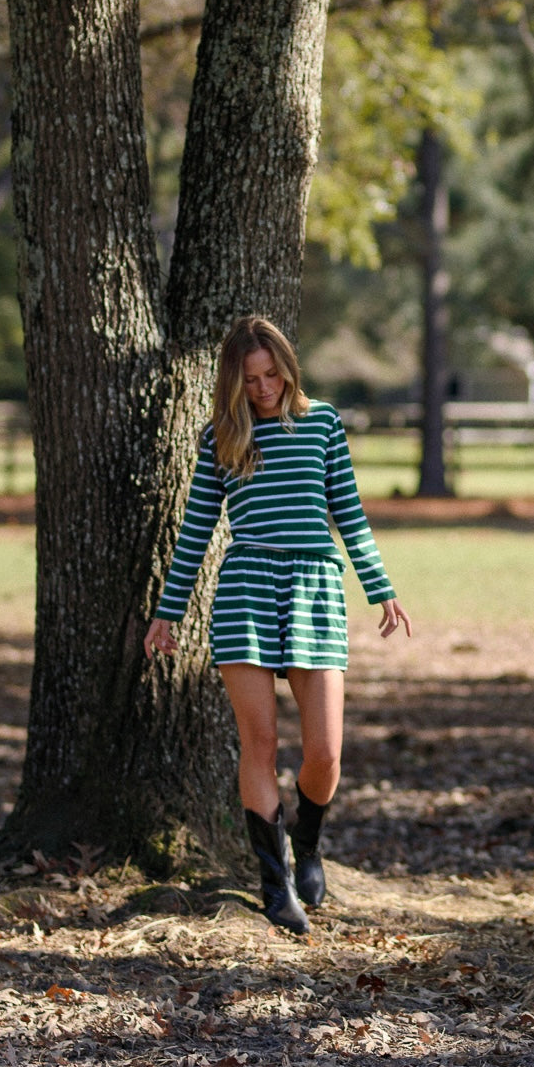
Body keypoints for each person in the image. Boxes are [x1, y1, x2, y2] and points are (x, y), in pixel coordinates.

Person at [144, 316, 411, 934]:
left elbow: (348, 511)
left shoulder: (321, 423)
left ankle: (308, 845)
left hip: (316, 588)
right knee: (259, 743)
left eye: (271, 375)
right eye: (250, 379)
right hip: (245, 591)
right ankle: (276, 886)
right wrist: (168, 610)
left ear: (288, 369)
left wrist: (382, 588)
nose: (263, 389)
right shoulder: (221, 437)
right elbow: (194, 532)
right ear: (233, 382)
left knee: (324, 752)